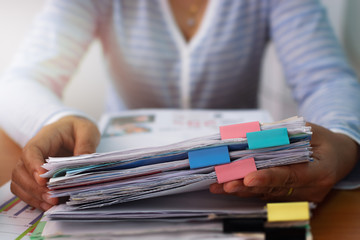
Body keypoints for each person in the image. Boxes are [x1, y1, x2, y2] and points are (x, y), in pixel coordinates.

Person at [0, 0, 359, 211]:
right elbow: (22, 79)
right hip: (120, 177)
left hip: (243, 178)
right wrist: (55, 119)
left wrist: (344, 138)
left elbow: (326, 78)